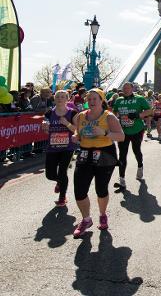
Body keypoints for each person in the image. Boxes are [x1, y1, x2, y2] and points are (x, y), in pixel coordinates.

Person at [71, 89, 124, 237]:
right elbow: (78, 132)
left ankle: (102, 214)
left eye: (95, 99)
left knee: (101, 188)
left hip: (105, 154)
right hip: (85, 153)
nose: (92, 101)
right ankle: (86, 219)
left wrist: (105, 133)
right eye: (90, 99)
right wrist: (76, 136)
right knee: (79, 190)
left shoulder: (109, 117)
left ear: (102, 100)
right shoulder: (81, 116)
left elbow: (121, 136)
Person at [111, 82, 152, 191]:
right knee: (122, 155)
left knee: (136, 150)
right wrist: (115, 120)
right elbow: (114, 113)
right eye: (124, 88)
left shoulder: (139, 98)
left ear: (132, 88)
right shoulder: (119, 100)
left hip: (137, 130)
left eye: (127, 88)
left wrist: (138, 115)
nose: (125, 90)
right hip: (123, 131)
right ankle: (122, 180)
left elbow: (149, 110)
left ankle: (140, 165)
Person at [42, 90, 78, 207]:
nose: (60, 99)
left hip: (67, 147)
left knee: (63, 172)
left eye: (63, 97)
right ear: (54, 98)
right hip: (52, 147)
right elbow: (45, 125)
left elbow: (77, 131)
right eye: (58, 96)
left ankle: (62, 197)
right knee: (50, 175)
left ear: (67, 99)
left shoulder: (73, 113)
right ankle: (59, 182)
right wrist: (45, 126)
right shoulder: (48, 113)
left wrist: (67, 123)